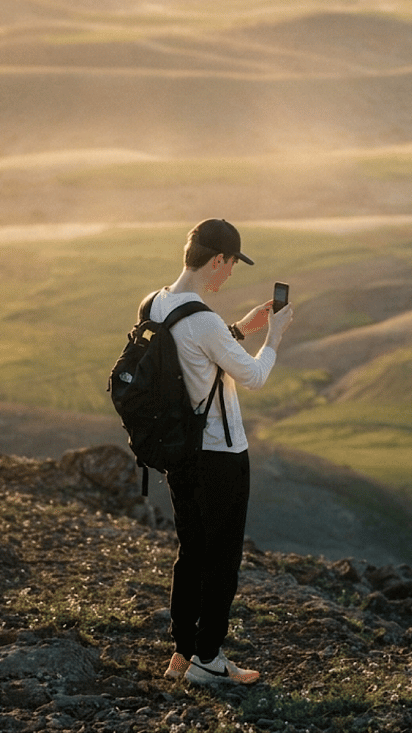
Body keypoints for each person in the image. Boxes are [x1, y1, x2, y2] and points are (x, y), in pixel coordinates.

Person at [154, 218, 293, 687]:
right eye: (232, 264)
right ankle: (209, 659)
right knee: (222, 560)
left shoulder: (156, 304)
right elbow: (252, 377)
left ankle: (183, 653)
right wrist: (273, 337)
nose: (231, 273)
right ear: (218, 260)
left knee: (191, 552)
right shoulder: (204, 320)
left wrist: (240, 329)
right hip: (220, 454)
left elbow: (194, 354)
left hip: (180, 453)